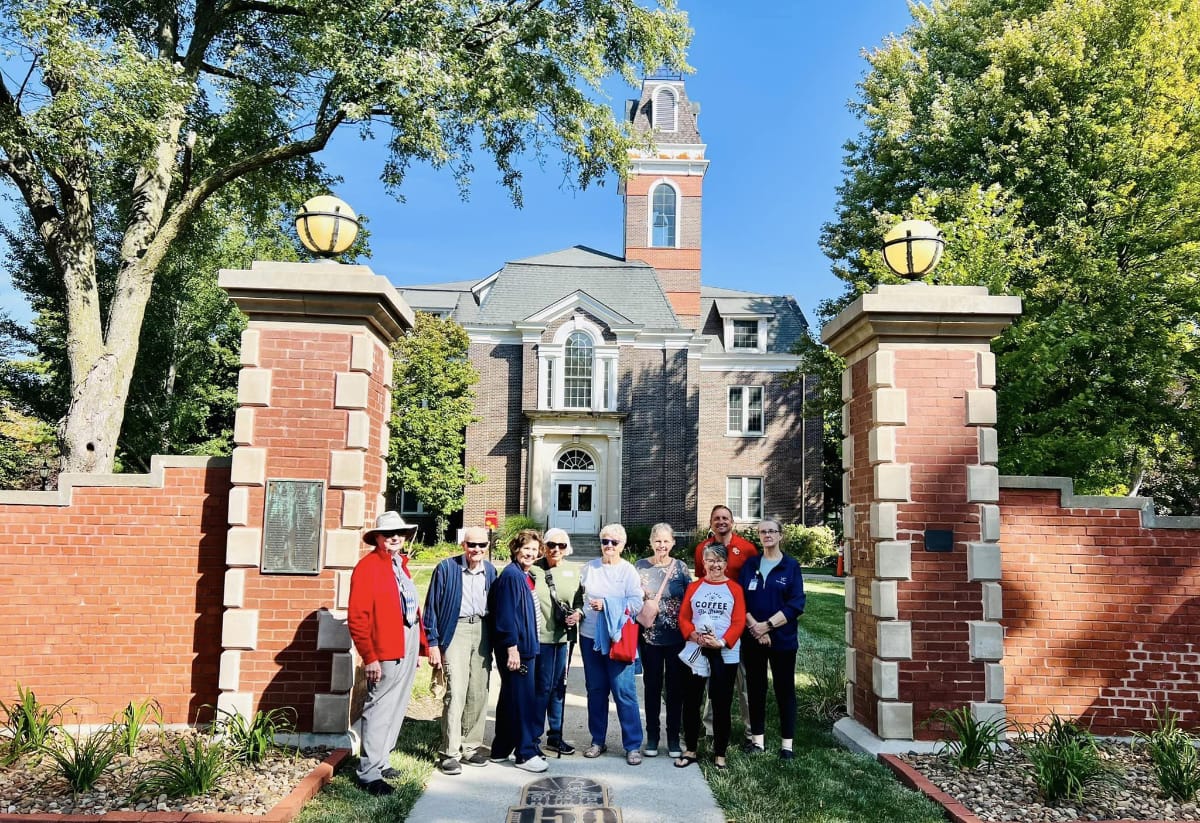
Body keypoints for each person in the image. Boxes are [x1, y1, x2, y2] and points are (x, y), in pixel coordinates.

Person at [347, 511, 426, 796]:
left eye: (400, 533)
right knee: (379, 705)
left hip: (407, 639)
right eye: (388, 533)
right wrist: (370, 656)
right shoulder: (367, 567)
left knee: (397, 703)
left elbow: (411, 607)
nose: (395, 537)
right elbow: (357, 617)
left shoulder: (399, 565)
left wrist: (418, 646)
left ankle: (382, 761)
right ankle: (368, 773)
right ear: (377, 538)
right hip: (385, 644)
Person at [423, 526, 498, 775]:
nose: (477, 550)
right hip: (455, 630)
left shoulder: (490, 571)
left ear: (488, 546)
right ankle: (450, 751)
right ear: (463, 545)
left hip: (483, 629)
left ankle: (471, 746)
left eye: (482, 545)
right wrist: (433, 643)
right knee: (456, 691)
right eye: (472, 545)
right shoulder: (446, 569)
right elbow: (431, 608)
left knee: (478, 690)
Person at [573, 523, 645, 765]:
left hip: (617, 639)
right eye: (605, 541)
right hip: (590, 636)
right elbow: (582, 601)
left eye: (615, 542)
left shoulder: (628, 572)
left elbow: (636, 603)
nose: (609, 546)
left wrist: (608, 605)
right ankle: (597, 740)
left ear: (623, 545)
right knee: (595, 690)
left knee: (623, 691)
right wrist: (580, 614)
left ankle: (632, 745)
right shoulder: (589, 568)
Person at [739, 517, 806, 760]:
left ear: (780, 535)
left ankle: (787, 745)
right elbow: (741, 600)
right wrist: (755, 629)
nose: (767, 535)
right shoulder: (750, 565)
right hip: (753, 638)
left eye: (771, 531)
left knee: (784, 689)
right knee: (756, 689)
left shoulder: (790, 566)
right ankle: (757, 741)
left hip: (783, 639)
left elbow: (796, 604)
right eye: (762, 532)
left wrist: (767, 626)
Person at [676, 543, 746, 771]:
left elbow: (738, 621)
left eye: (719, 560)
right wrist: (694, 635)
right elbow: (684, 617)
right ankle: (691, 749)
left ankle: (720, 754)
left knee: (722, 704)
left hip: (725, 653)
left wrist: (722, 641)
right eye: (710, 560)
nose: (715, 565)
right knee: (692, 701)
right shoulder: (695, 587)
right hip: (696, 652)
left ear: (726, 564)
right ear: (703, 563)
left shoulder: (734, 589)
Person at [693, 504, 756, 741]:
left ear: (732, 522)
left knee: (744, 680)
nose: (721, 521)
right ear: (710, 522)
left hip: (740, 621)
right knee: (713, 677)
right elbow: (701, 582)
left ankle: (752, 731)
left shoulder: (747, 549)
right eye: (716, 518)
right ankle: (711, 729)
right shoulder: (702, 548)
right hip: (712, 623)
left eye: (725, 518)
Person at [487, 529, 547, 773]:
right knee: (523, 700)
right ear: (516, 550)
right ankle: (524, 753)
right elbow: (505, 616)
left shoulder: (524, 574)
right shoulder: (512, 576)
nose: (531, 554)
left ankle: (501, 749)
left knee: (511, 698)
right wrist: (512, 648)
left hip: (525, 647)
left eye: (534, 550)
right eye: (526, 549)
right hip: (517, 649)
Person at [633, 523, 691, 758]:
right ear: (651, 542)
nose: (662, 545)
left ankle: (674, 738)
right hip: (650, 638)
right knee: (652, 688)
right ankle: (653, 737)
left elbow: (690, 600)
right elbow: (632, 598)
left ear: (673, 543)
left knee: (675, 689)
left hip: (676, 638)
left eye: (666, 541)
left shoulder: (681, 568)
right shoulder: (640, 567)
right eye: (658, 541)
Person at [528, 527, 582, 756]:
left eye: (561, 546)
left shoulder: (574, 570)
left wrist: (578, 613)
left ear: (567, 548)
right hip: (541, 638)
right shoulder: (533, 569)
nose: (556, 550)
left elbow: (580, 600)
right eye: (551, 545)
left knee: (559, 687)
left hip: (564, 638)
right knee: (542, 688)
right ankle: (533, 738)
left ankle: (556, 736)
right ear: (544, 546)